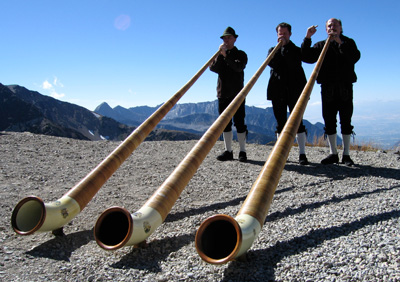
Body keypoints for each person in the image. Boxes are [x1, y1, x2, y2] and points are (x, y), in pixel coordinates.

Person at [301, 18, 360, 166]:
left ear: (340, 28)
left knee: (346, 120)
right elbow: (306, 57)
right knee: (329, 120)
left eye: (334, 25)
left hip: (345, 87)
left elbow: (355, 57)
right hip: (327, 87)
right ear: (326, 29)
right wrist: (308, 37)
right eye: (329, 26)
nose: (331, 27)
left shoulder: (348, 42)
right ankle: (333, 153)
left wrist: (340, 42)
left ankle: (346, 155)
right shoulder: (321, 44)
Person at [267, 22, 309, 165]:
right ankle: (280, 154)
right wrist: (279, 49)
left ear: (290, 34)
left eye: (284, 33)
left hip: (294, 90)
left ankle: (302, 154)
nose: (282, 36)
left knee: (298, 121)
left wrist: (284, 49)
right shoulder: (272, 50)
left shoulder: (296, 50)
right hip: (277, 90)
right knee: (280, 122)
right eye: (280, 33)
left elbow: (293, 63)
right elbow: (273, 64)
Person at [210, 26, 248, 162]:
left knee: (239, 122)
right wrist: (221, 55)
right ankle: (228, 151)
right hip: (223, 93)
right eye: (224, 38)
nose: (226, 40)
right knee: (225, 123)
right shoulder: (219, 55)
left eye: (229, 38)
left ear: (235, 39)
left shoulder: (241, 54)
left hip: (237, 94)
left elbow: (238, 67)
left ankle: (242, 151)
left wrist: (226, 56)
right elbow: (213, 68)